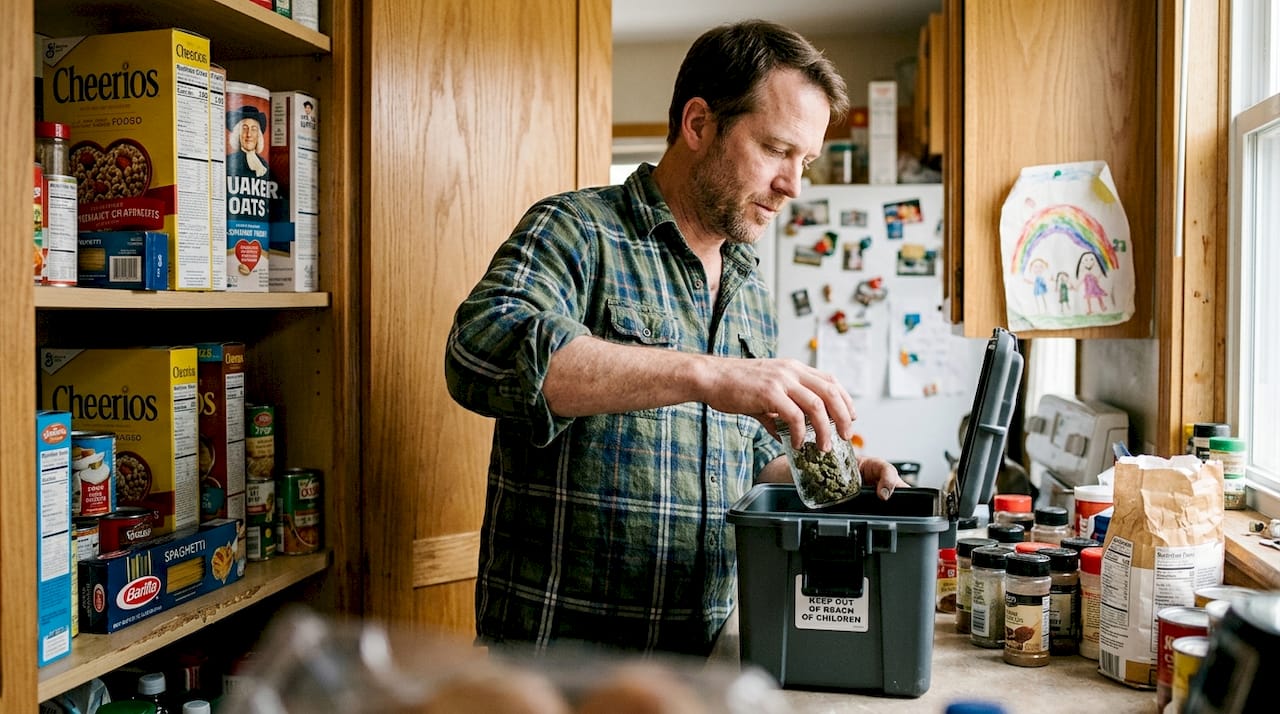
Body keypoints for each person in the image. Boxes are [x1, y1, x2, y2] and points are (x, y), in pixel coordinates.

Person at [444, 19, 906, 656]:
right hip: (557, 671)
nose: (794, 185)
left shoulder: (749, 288)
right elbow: (480, 349)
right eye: (776, 149)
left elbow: (733, 462)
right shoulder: (577, 229)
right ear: (698, 123)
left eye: (805, 161)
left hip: (703, 655)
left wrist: (832, 480)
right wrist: (708, 374)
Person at [226, 105, 270, 178]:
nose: (249, 134)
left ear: (258, 135)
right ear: (238, 134)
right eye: (244, 128)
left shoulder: (264, 165)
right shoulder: (229, 162)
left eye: (253, 129)